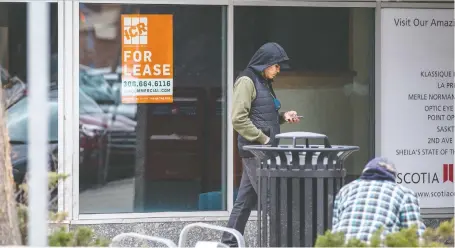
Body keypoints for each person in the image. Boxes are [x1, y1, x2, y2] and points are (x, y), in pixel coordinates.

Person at [221, 42, 301, 247]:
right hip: (256, 151)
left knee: (245, 201)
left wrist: (283, 116)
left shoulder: (263, 82)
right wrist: (263, 139)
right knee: (272, 198)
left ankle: (228, 242)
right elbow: (238, 119)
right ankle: (277, 243)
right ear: (264, 64)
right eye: (275, 65)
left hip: (263, 151)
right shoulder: (246, 81)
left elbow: (262, 115)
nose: (278, 69)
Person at [332, 157, 426, 244]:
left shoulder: (345, 190)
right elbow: (416, 236)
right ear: (392, 175)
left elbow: (334, 231)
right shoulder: (404, 193)